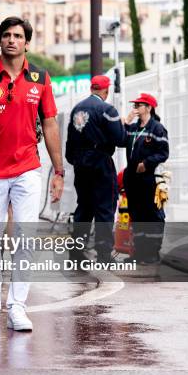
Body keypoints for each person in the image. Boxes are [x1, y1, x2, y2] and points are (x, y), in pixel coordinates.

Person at [0, 16, 64, 331]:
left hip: (28, 169)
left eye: (18, 35)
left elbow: (50, 124)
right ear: (0, 40)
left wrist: (58, 169)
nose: (11, 40)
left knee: (24, 237)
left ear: (26, 43)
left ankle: (17, 305)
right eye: (6, 35)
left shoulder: (41, 79)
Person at [65, 75, 126, 264]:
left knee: (84, 207)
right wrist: (123, 124)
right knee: (105, 208)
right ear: (106, 91)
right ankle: (104, 256)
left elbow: (70, 143)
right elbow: (120, 139)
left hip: (81, 164)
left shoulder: (77, 109)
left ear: (92, 88)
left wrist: (75, 160)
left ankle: (76, 253)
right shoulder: (107, 109)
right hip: (100, 162)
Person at [122, 93, 169, 264]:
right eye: (134, 105)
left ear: (148, 107)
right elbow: (120, 140)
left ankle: (152, 253)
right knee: (137, 214)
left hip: (148, 177)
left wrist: (147, 163)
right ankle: (139, 253)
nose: (135, 108)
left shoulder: (157, 128)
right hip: (133, 178)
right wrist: (125, 122)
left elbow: (163, 152)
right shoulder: (133, 128)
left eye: (138, 105)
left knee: (151, 215)